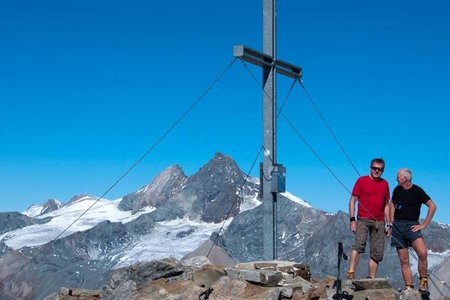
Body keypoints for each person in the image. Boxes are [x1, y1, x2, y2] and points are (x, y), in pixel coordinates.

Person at [389, 168, 437, 294]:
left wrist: (424, 224)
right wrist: (390, 221)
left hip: (412, 226)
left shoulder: (417, 190)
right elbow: (392, 204)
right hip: (397, 227)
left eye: (398, 177)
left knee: (422, 253)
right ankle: (409, 288)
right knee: (404, 260)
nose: (396, 179)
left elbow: (432, 206)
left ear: (405, 178)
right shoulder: (396, 190)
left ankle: (423, 283)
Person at [347, 158, 391, 279]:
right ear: (370, 168)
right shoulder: (361, 181)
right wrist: (352, 220)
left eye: (380, 169)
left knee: (377, 251)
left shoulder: (385, 184)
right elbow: (352, 200)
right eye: (374, 168)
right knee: (359, 245)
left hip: (379, 221)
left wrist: (389, 223)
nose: (377, 171)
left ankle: (371, 279)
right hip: (363, 219)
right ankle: (351, 273)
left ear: (383, 170)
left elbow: (386, 205)